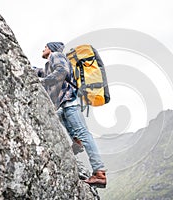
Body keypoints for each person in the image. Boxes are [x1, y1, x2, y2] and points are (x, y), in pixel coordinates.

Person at [37, 42, 107, 188]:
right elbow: (43, 73)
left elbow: (62, 72)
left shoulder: (56, 56)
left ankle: (99, 173)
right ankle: (77, 141)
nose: (43, 49)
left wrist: (43, 81)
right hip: (63, 104)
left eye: (45, 46)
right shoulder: (50, 64)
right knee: (66, 122)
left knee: (83, 133)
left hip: (69, 101)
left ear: (51, 48)